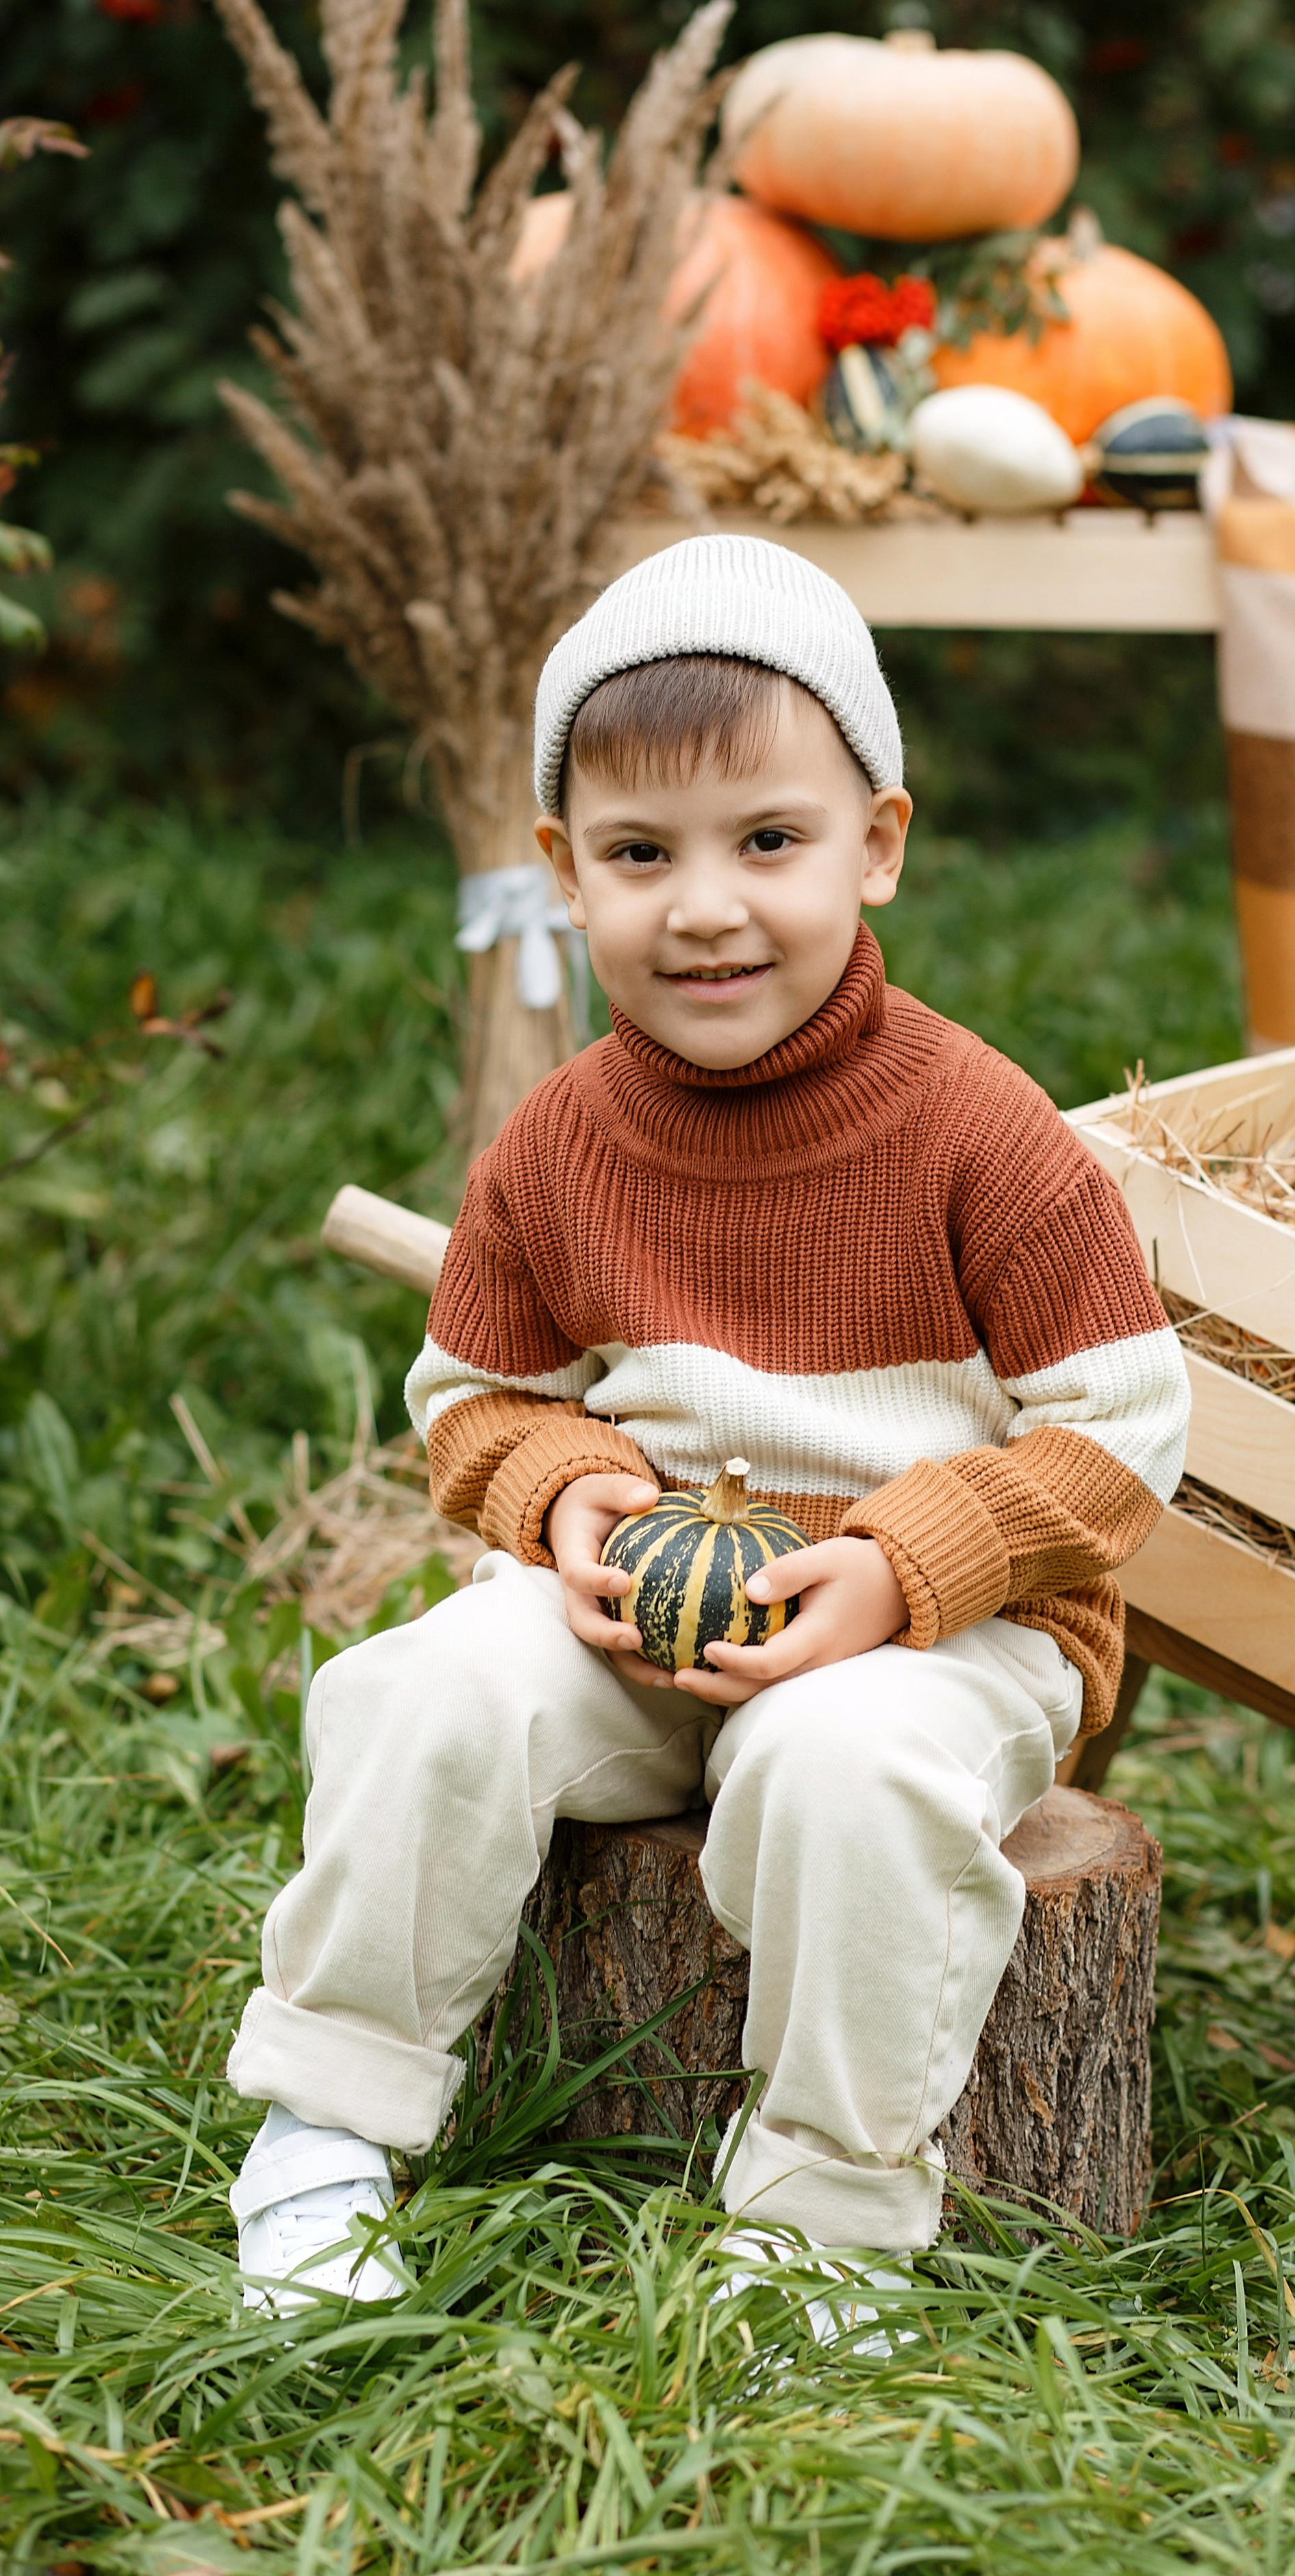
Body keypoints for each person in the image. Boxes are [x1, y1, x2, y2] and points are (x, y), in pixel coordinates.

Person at [223, 536, 1190, 2316]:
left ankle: (821, 2218)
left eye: (769, 841)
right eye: (640, 854)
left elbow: (1123, 1432)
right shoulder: (558, 1142)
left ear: (876, 844)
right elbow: (474, 1396)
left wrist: (902, 1568)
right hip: (647, 1611)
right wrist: (567, 1492)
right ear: (563, 873)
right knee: (426, 1692)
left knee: (850, 1770)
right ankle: (329, 2122)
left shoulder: (984, 1133)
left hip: (945, 1634)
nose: (705, 908)